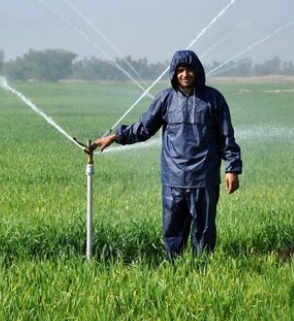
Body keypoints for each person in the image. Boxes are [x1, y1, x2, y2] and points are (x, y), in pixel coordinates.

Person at [92, 50, 242, 260]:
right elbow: (144, 128)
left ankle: (203, 273)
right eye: (180, 70)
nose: (185, 74)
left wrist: (232, 168)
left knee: (204, 231)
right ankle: (173, 271)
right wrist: (117, 136)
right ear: (173, 73)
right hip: (174, 179)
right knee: (173, 232)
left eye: (189, 69)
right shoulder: (165, 99)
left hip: (204, 177)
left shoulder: (213, 99)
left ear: (197, 71)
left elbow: (226, 135)